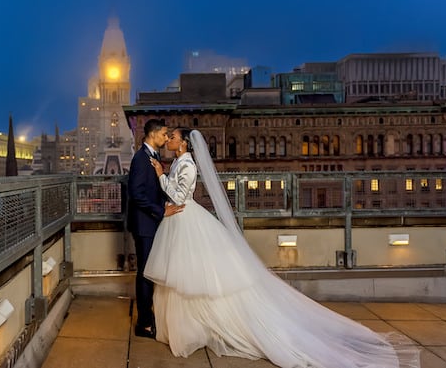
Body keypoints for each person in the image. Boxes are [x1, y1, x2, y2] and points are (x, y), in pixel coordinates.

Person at [144, 128, 420, 368]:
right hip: (179, 218)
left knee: (190, 278)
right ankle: (190, 328)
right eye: (168, 137)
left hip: (184, 217)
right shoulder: (180, 162)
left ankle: (194, 329)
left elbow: (179, 194)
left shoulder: (187, 164)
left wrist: (160, 176)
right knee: (184, 278)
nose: (168, 140)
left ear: (183, 144)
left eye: (173, 137)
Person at [127, 119, 184, 339]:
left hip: (150, 223)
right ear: (152, 134)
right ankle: (143, 324)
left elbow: (151, 190)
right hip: (144, 226)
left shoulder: (153, 156)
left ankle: (148, 319)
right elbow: (137, 194)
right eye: (163, 134)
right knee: (145, 274)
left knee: (150, 273)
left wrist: (163, 204)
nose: (166, 138)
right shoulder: (141, 159)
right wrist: (161, 211)